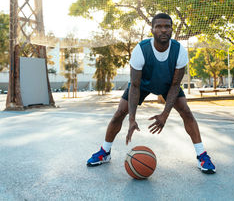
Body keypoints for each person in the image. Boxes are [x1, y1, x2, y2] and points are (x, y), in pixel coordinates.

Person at [86, 13, 216, 174]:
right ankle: (104, 152)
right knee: (119, 112)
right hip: (142, 85)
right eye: (159, 26)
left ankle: (202, 155)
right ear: (152, 30)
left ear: (171, 29)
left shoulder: (179, 51)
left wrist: (164, 115)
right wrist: (132, 118)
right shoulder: (141, 50)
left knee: (186, 112)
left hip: (169, 84)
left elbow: (175, 85)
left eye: (167, 26)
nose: (163, 30)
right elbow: (134, 85)